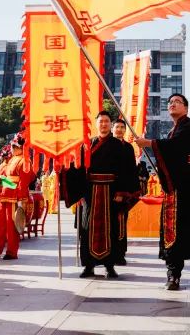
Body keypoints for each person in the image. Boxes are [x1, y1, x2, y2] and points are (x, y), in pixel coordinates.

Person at [134, 94, 190, 292]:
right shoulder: (172, 131)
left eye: (177, 102)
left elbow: (176, 147)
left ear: (186, 108)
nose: (172, 104)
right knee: (172, 230)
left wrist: (149, 143)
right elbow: (170, 152)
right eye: (170, 102)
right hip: (175, 188)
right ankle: (173, 274)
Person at [62, 112, 140, 278]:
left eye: (106, 121)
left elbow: (127, 171)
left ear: (110, 124)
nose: (104, 124)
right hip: (90, 192)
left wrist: (121, 192)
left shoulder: (119, 146)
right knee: (86, 229)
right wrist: (63, 172)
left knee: (111, 229)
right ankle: (88, 266)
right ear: (96, 124)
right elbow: (78, 169)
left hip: (112, 191)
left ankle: (109, 266)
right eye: (101, 121)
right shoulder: (87, 145)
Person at [0, 135, 34, 260]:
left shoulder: (25, 161)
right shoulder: (12, 160)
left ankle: (11, 251)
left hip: (14, 197)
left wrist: (20, 199)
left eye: (12, 146)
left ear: (17, 147)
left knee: (12, 226)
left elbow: (24, 182)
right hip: (5, 195)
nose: (11, 149)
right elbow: (6, 179)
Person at [109, 118, 140, 266]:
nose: (120, 129)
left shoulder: (128, 147)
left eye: (122, 127)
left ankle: (120, 254)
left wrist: (131, 192)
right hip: (107, 190)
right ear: (112, 129)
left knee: (121, 222)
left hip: (124, 192)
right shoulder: (106, 145)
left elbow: (132, 171)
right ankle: (107, 254)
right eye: (117, 127)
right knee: (108, 224)